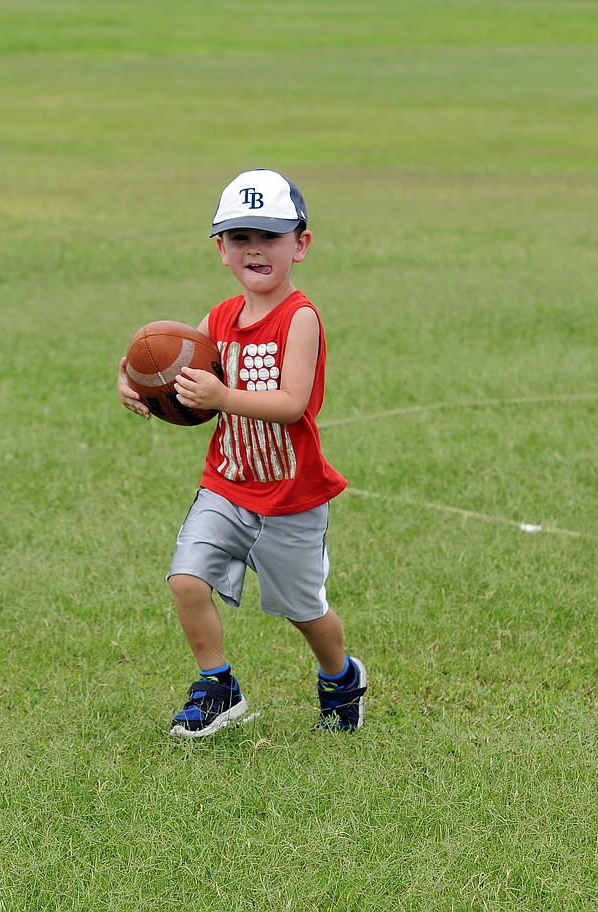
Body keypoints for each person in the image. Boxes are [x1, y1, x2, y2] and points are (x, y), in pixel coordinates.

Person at [117, 169, 366, 737]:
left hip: (290, 496)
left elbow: (294, 403)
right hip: (227, 483)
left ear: (300, 245)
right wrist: (134, 381)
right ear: (220, 250)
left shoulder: (299, 317)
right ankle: (217, 685)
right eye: (240, 238)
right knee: (186, 580)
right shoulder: (219, 319)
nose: (255, 249)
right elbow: (173, 362)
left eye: (270, 236)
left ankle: (340, 676)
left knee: (305, 613)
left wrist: (224, 396)